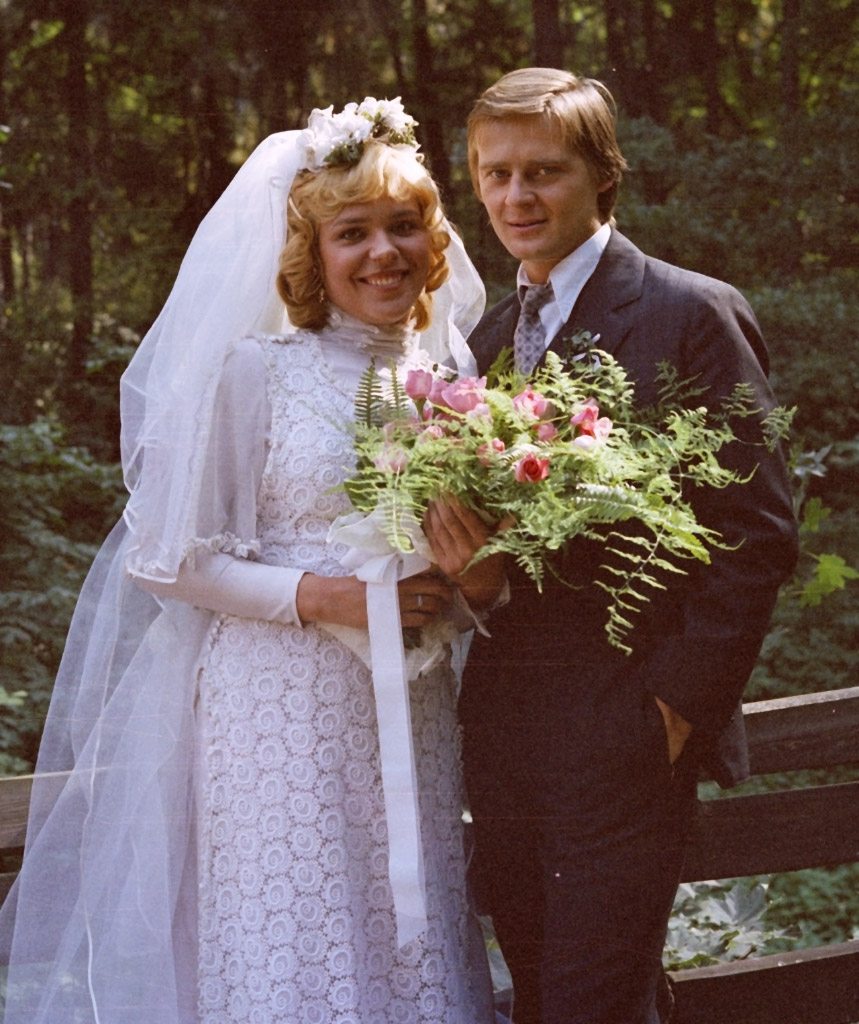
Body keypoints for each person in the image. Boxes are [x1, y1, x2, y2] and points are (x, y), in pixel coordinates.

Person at [0, 98, 495, 1024]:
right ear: (311, 255)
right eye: (353, 233)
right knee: (302, 942)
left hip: (414, 708)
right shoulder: (256, 372)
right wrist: (321, 596)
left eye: (403, 226)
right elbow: (164, 558)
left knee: (409, 932)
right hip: (278, 713)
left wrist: (464, 587)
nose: (383, 252)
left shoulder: (453, 382)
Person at [424, 68, 799, 1024]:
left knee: (598, 1002)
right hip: (505, 734)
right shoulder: (483, 341)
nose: (516, 197)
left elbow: (754, 536)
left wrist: (672, 714)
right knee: (544, 996)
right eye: (495, 173)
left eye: (542, 171)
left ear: (602, 176)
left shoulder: (688, 312)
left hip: (631, 728)